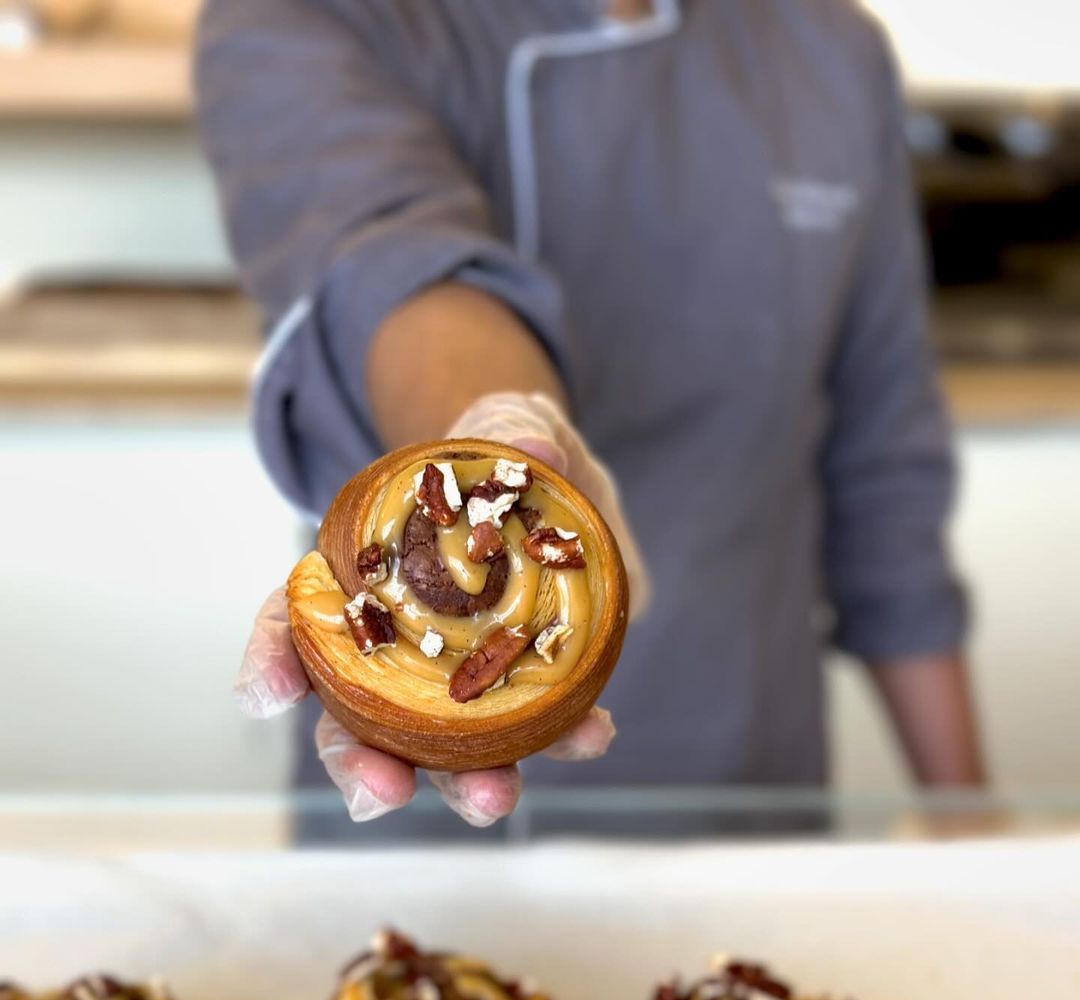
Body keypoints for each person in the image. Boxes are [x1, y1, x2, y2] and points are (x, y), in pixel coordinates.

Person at [197, 0, 986, 829]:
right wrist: (500, 430)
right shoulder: (308, 17)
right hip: (422, 813)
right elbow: (394, 266)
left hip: (744, 784)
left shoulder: (829, 50)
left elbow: (885, 477)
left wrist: (970, 819)